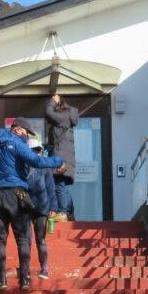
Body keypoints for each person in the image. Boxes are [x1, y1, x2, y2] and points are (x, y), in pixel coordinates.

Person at [0, 118, 65, 291]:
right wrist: (58, 161)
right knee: (23, 238)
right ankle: (25, 280)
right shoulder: (16, 144)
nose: (27, 138)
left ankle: (2, 280)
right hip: (17, 193)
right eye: (27, 134)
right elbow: (37, 162)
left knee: (0, 240)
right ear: (18, 130)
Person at [23, 133, 55, 280]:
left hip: (41, 206)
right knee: (27, 239)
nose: (36, 152)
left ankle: (44, 269)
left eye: (38, 149)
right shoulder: (22, 165)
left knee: (40, 239)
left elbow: (50, 187)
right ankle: (27, 269)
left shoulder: (45, 166)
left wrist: (53, 207)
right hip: (26, 206)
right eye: (34, 150)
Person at [43, 93, 80, 221]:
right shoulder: (67, 118)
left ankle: (63, 212)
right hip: (65, 155)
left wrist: (53, 101)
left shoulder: (63, 117)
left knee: (58, 183)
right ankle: (69, 212)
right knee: (61, 184)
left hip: (61, 156)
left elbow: (48, 112)